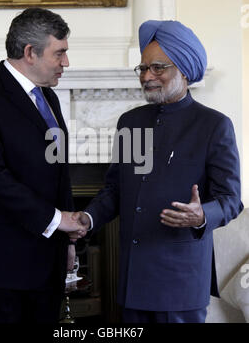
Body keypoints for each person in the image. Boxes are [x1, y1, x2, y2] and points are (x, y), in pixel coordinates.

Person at [74, 20, 244, 323]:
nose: (147, 76)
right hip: (132, 278)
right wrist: (87, 218)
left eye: (157, 68)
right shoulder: (131, 122)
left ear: (183, 70)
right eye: (142, 69)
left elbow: (231, 200)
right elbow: (115, 190)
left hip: (180, 280)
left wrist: (201, 215)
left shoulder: (213, 125)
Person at [0, 8, 85, 323]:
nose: (66, 62)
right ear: (30, 52)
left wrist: (68, 242)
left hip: (47, 262)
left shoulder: (48, 98)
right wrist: (57, 220)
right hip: (0, 266)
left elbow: (59, 173)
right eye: (60, 53)